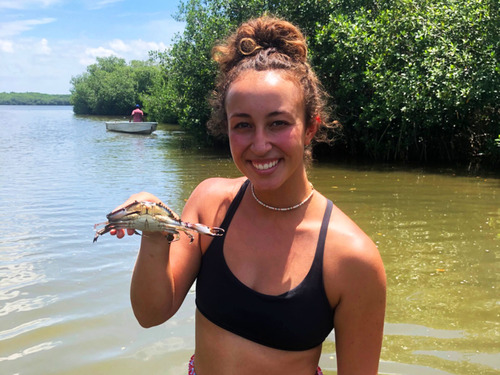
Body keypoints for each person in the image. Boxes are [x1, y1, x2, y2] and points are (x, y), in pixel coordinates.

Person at [111, 16, 386, 375]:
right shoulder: (211, 205)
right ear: (226, 128)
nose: (259, 144)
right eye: (242, 125)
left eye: (278, 123)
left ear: (310, 128)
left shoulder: (352, 258)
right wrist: (155, 228)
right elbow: (150, 314)